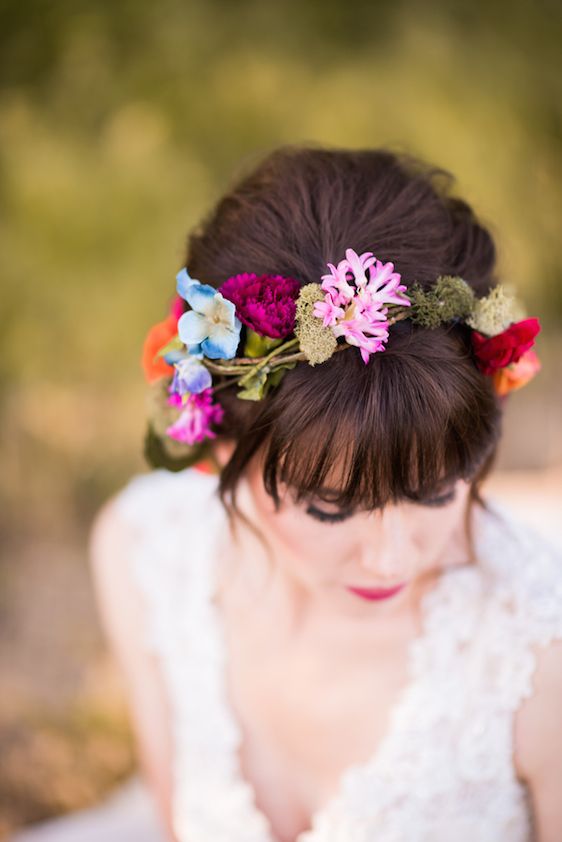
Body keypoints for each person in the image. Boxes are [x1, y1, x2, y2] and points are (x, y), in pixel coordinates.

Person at [89, 145, 562, 842]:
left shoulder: (538, 658)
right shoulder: (145, 553)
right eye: (331, 508)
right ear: (220, 444)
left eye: (434, 494)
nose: (393, 560)